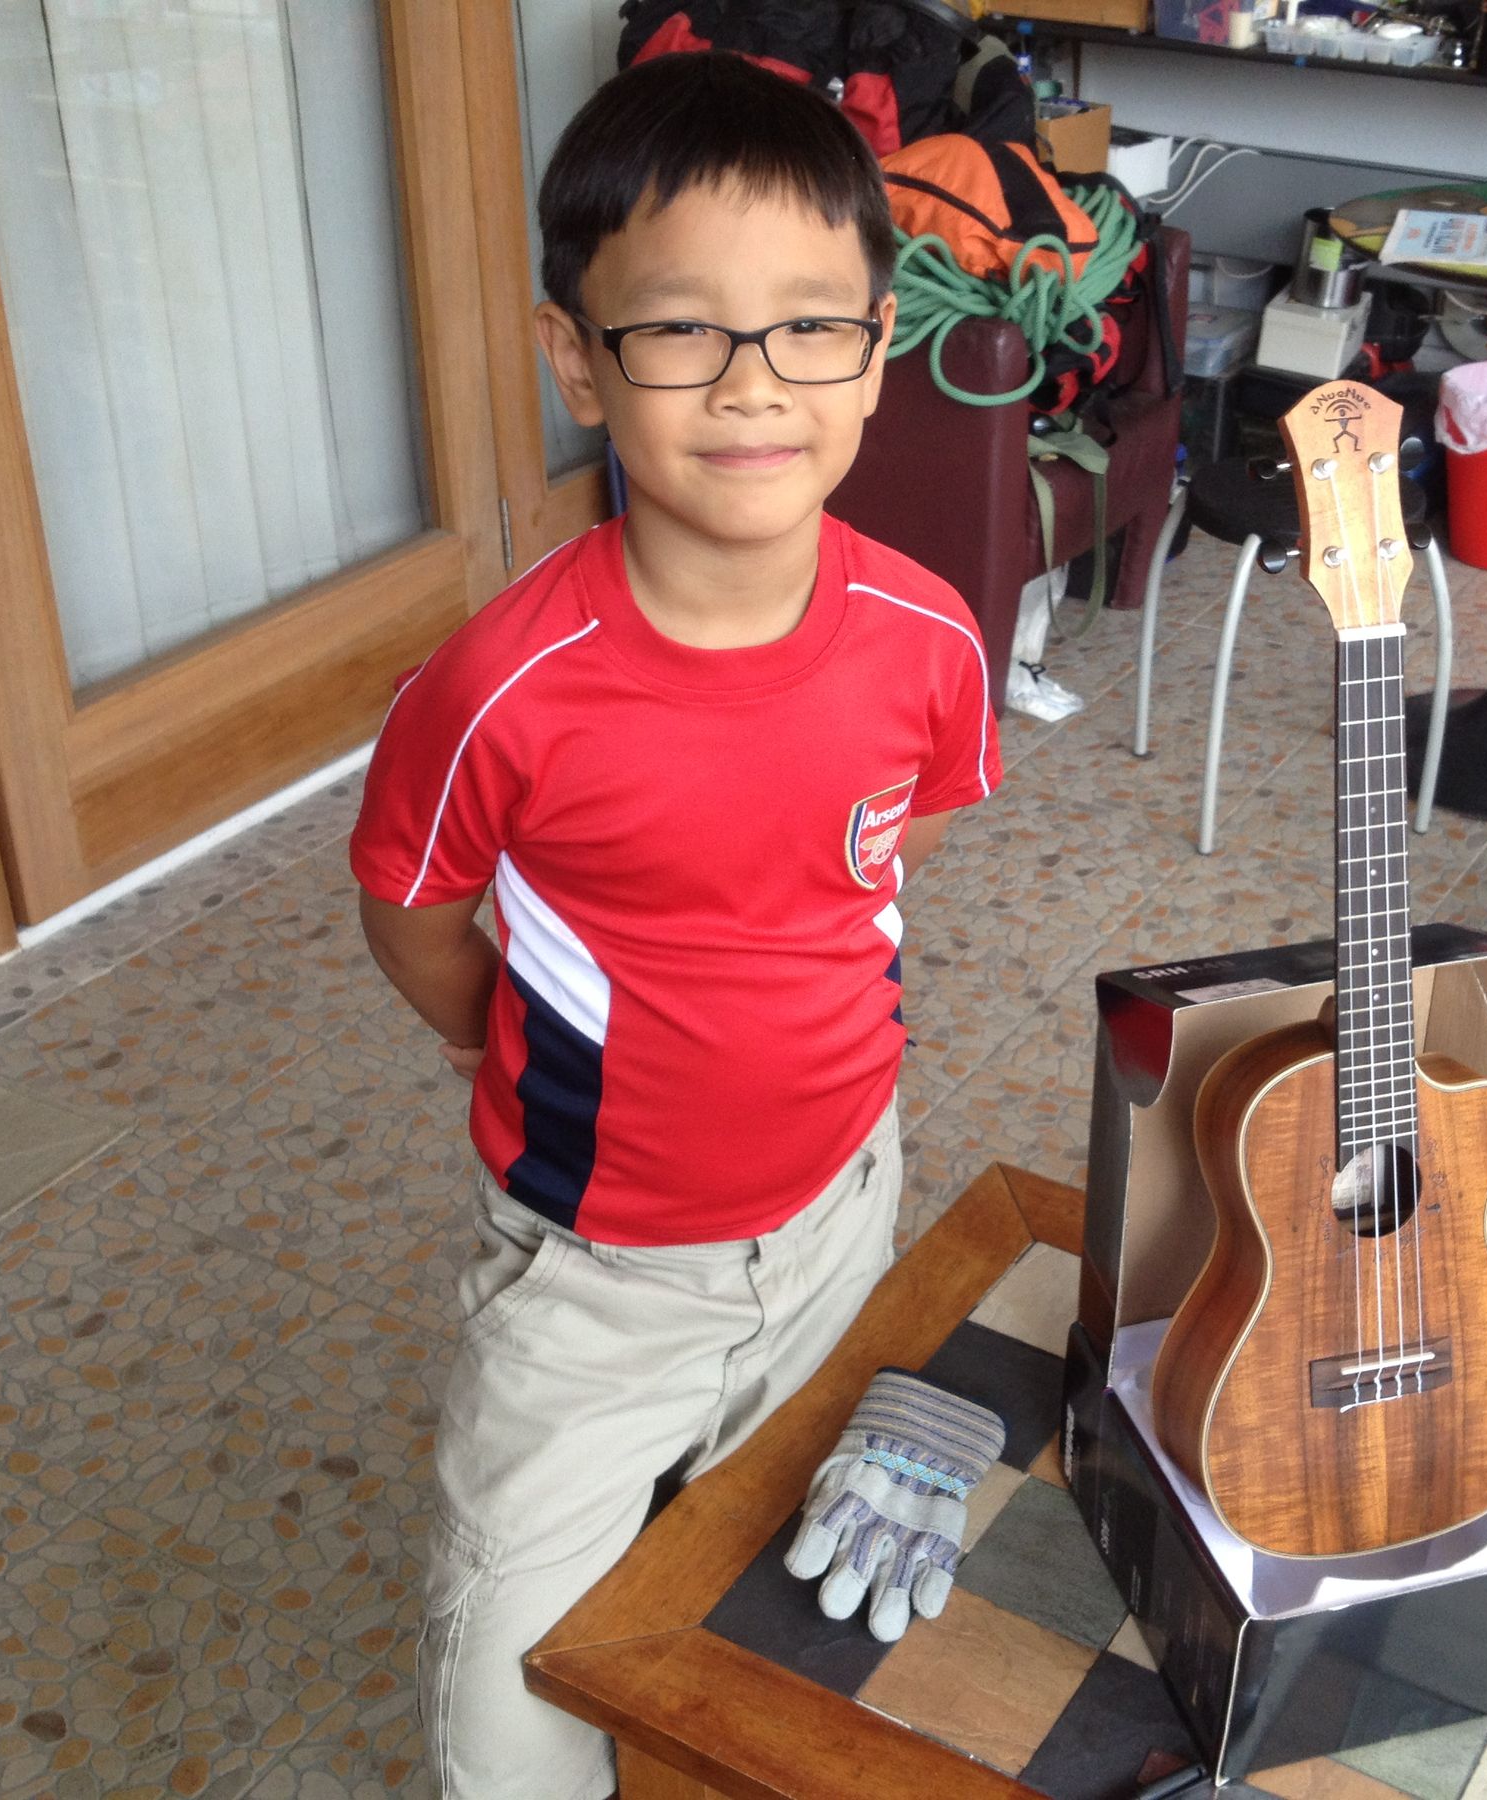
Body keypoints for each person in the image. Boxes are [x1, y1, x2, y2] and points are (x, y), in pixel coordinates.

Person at [348, 51, 998, 1800]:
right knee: (521, 1706)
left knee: (779, 1644)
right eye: (678, 331)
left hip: (844, 1210)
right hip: (594, 1280)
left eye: (809, 327)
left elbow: (877, 865)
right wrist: (524, 1051)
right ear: (576, 356)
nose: (751, 384)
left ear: (878, 346)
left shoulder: (931, 639)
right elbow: (410, 907)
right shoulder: (506, 685)